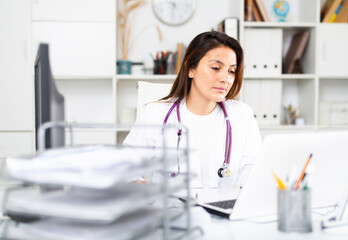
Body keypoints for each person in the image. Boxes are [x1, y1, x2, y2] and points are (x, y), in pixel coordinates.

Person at [123, 31, 262, 190]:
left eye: (231, 71)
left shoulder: (242, 115)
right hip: (172, 211)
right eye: (216, 68)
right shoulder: (155, 114)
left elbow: (254, 172)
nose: (226, 78)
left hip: (224, 211)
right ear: (191, 69)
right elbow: (126, 167)